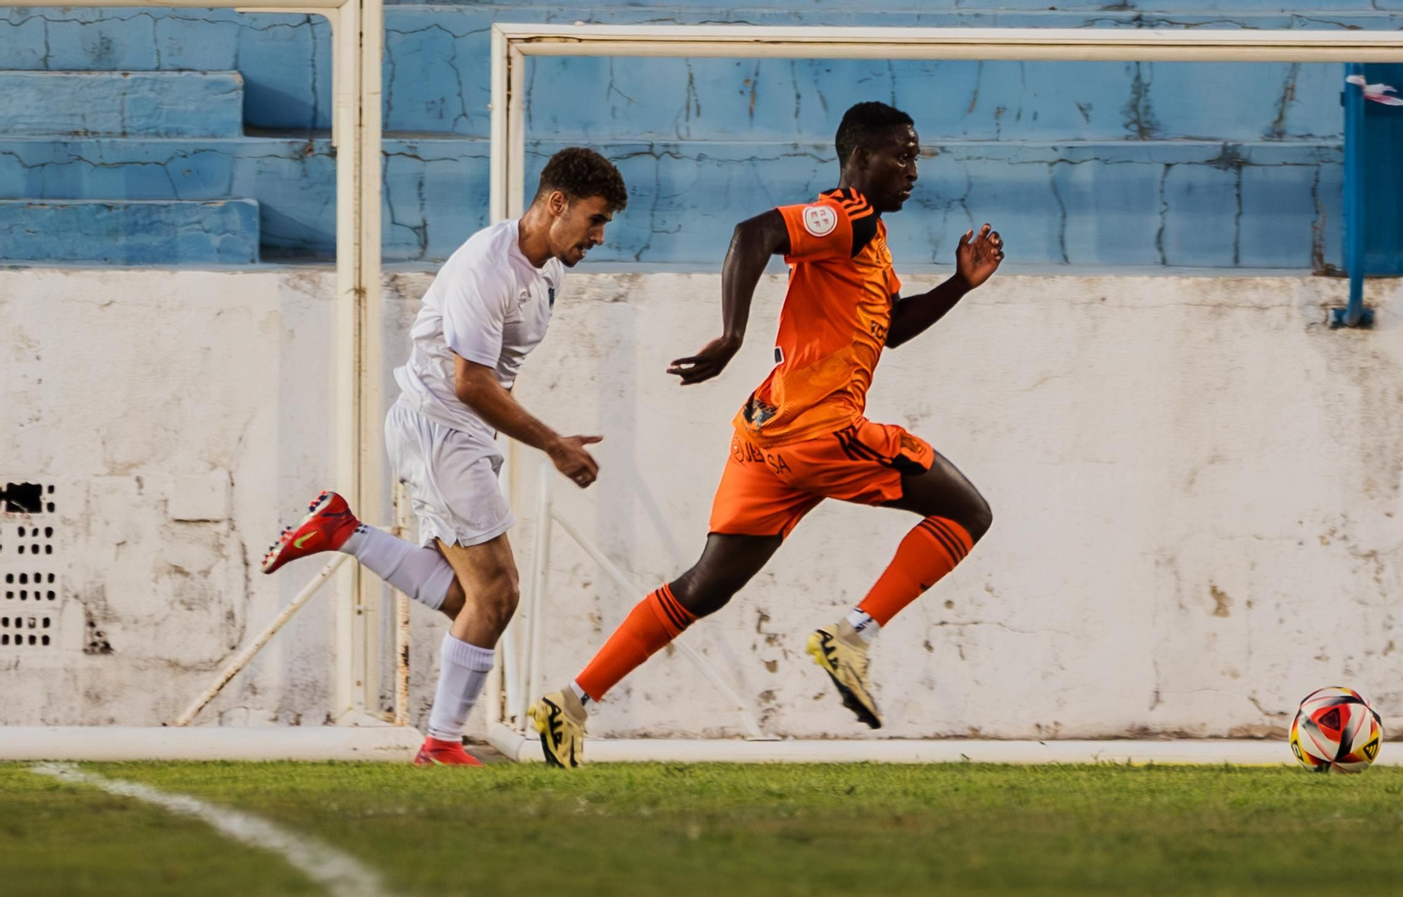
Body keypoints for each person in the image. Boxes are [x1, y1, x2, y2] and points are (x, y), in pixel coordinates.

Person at [531, 102, 1004, 768]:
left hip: (768, 439)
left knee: (703, 587)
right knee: (969, 512)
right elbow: (755, 232)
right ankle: (853, 636)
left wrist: (960, 283)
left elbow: (890, 327)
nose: (913, 170)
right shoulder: (845, 215)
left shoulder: (867, 240)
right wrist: (731, 335)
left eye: (917, 157)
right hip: (821, 433)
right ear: (861, 157)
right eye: (903, 155)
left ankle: (571, 702)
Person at [260, 148, 628, 766]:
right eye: (594, 220)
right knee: (498, 594)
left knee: (472, 599)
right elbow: (470, 383)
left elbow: (491, 383)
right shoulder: (489, 267)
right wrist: (552, 445)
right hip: (439, 427)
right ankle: (440, 742)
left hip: (464, 434)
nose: (598, 236)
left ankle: (343, 530)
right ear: (556, 203)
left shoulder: (548, 270)